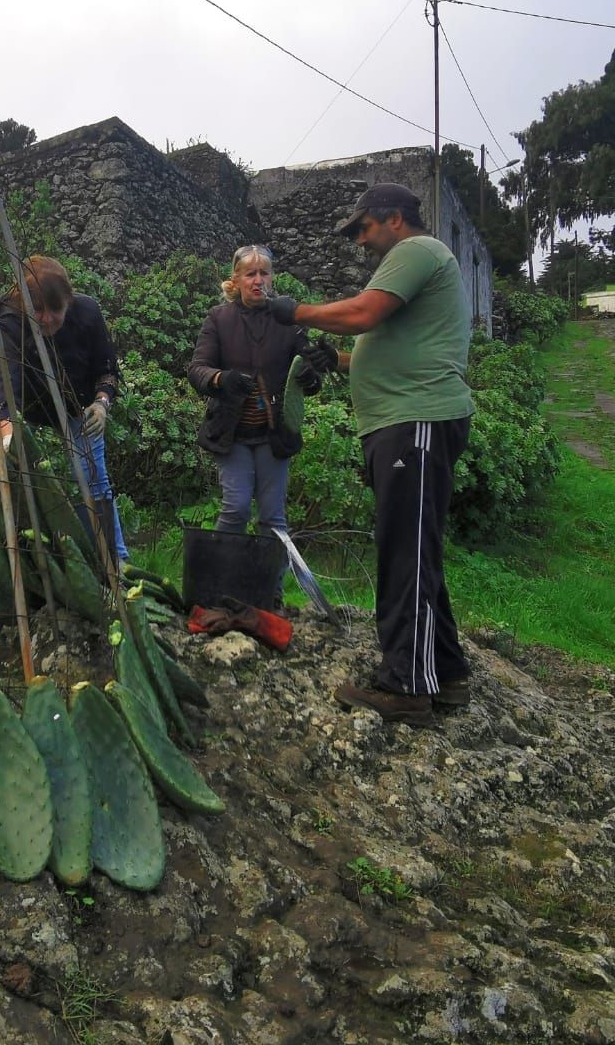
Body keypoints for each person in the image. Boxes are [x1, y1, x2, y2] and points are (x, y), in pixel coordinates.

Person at [266, 183, 474, 725]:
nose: (359, 240)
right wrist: (332, 360)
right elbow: (377, 343)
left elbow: (363, 315)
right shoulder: (417, 261)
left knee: (406, 550)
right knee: (412, 546)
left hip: (416, 419)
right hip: (403, 420)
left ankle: (406, 685)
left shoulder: (417, 251)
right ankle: (445, 672)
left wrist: (296, 313)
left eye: (363, 228)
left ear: (394, 219)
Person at [187, 245, 334, 537]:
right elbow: (197, 369)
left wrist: (312, 374)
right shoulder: (219, 318)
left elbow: (308, 367)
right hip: (232, 432)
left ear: (272, 279)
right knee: (236, 508)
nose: (258, 281)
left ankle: (268, 584)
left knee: (272, 517)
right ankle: (220, 581)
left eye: (264, 274)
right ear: (237, 280)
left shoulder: (287, 321)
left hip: (274, 434)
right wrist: (221, 379)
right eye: (250, 274)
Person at [0, 255, 128, 566]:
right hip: (29, 414)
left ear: (68, 301)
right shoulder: (10, 322)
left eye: (55, 310)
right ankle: (51, 566)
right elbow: (5, 379)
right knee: (35, 489)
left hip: (77, 407)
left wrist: (101, 402)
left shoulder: (88, 312)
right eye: (37, 310)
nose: (45, 319)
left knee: (93, 481)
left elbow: (106, 367)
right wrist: (8, 430)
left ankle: (115, 564)